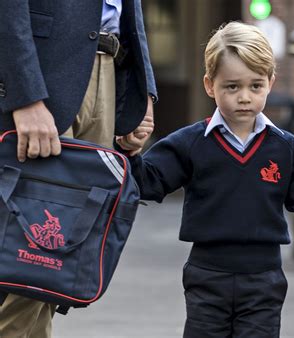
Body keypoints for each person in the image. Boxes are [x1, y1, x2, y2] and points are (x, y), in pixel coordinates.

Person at [116, 21, 294, 338]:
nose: (245, 97)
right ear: (210, 85)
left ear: (270, 82)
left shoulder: (284, 147)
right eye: (232, 87)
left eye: (255, 86)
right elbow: (147, 180)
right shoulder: (191, 143)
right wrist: (127, 149)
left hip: (264, 279)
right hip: (207, 275)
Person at [0, 1, 156, 337]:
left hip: (108, 68)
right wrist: (25, 96)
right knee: (30, 254)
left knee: (59, 258)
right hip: (45, 73)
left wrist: (142, 92)